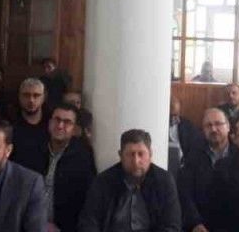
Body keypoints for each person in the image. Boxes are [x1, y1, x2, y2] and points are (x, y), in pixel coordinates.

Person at [77, 129, 181, 232]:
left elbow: (172, 225)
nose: (136, 161)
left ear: (150, 154)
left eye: (141, 154)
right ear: (121, 155)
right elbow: (88, 222)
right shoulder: (104, 182)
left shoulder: (164, 181)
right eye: (130, 154)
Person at [41, 103, 96, 232]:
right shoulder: (36, 149)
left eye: (67, 122)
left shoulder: (83, 156)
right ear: (49, 123)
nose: (60, 126)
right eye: (57, 120)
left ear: (75, 129)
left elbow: (88, 199)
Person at [178, 109, 230, 232]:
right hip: (200, 223)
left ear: (228, 126)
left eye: (218, 124)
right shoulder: (192, 154)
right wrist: (195, 223)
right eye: (208, 125)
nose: (213, 129)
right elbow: (185, 192)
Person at [10, 79, 50, 175]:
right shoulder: (10, 125)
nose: (31, 100)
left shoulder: (51, 123)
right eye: (26, 95)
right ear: (19, 97)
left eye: (36, 95)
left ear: (43, 97)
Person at [168, 98, 201, 173]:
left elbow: (196, 147)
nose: (177, 119)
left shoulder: (187, 126)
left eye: (177, 114)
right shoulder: (156, 126)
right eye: (172, 115)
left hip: (182, 165)